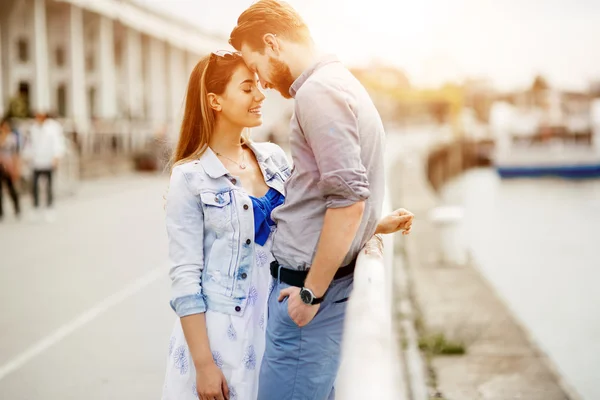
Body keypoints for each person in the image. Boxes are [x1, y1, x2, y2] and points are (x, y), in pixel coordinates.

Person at [162, 51, 413, 400]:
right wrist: (204, 364)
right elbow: (186, 277)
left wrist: (372, 225)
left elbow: (304, 224)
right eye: (247, 88)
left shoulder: (273, 159)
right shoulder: (189, 178)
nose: (260, 95)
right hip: (224, 335)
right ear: (214, 100)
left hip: (278, 313)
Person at [229, 1, 392, 398]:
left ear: (272, 44)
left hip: (309, 301)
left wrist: (309, 294)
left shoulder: (318, 93)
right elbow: (344, 194)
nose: (262, 83)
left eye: (257, 66)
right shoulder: (338, 81)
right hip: (317, 296)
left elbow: (349, 199)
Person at [25, 111, 65, 221]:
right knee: (34, 186)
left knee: (49, 186)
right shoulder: (32, 128)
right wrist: (27, 156)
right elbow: (29, 144)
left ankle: (49, 207)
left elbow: (58, 143)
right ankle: (35, 207)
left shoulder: (52, 128)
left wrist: (56, 157)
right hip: (36, 161)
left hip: (48, 161)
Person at [0, 118, 21, 221]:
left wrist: (16, 167)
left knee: (11, 188)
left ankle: (17, 208)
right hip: (0, 166)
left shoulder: (13, 138)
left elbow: (16, 153)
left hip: (9, 166)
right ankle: (1, 212)